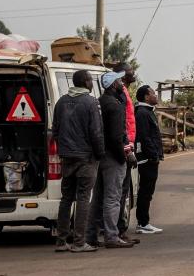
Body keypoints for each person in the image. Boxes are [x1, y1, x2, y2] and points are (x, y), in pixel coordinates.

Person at [51, 70, 104, 253]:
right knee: (83, 198)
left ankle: (61, 241)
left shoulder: (61, 102)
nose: (91, 83)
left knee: (66, 198)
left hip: (67, 157)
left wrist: (63, 150)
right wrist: (99, 154)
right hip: (86, 157)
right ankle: (79, 242)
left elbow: (55, 130)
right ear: (86, 82)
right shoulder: (91, 102)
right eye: (90, 80)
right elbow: (96, 133)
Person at [86, 72, 137, 248]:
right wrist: (124, 156)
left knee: (98, 198)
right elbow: (117, 136)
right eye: (119, 80)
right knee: (113, 198)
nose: (122, 83)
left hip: (99, 155)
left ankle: (90, 236)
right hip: (113, 157)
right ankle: (112, 236)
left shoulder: (100, 102)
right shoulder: (115, 106)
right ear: (112, 84)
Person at [111, 62, 139, 240]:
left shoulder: (125, 92)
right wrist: (128, 150)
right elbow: (121, 126)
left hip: (126, 144)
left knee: (122, 190)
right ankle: (118, 230)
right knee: (120, 191)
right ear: (121, 75)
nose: (133, 73)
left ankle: (117, 228)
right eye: (130, 71)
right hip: (122, 147)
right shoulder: (120, 95)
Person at [133, 85, 164, 235]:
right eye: (153, 93)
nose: (156, 95)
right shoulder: (143, 113)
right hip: (147, 159)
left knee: (147, 191)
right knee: (146, 191)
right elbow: (145, 138)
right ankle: (143, 223)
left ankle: (144, 222)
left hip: (150, 158)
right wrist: (153, 156)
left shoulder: (147, 112)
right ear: (146, 97)